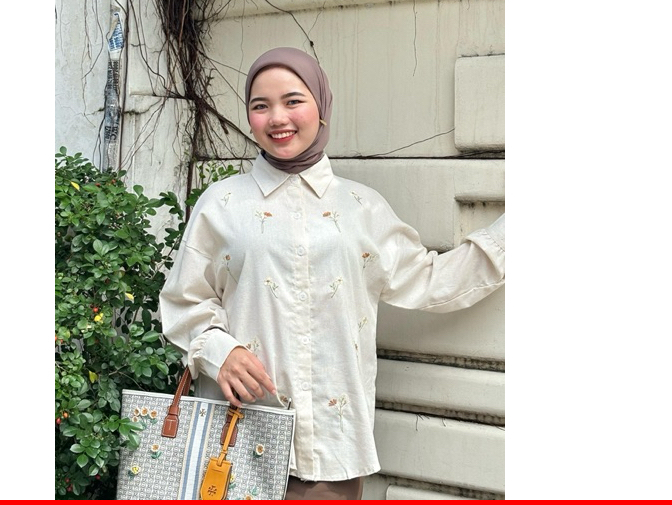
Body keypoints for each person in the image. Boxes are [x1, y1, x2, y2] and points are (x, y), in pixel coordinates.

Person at [159, 47, 505, 500]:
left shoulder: (361, 208)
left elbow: (429, 279)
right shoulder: (222, 204)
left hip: (331, 447)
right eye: (261, 106)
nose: (277, 118)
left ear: (322, 106)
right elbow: (183, 300)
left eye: (293, 101)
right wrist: (220, 352)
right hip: (235, 442)